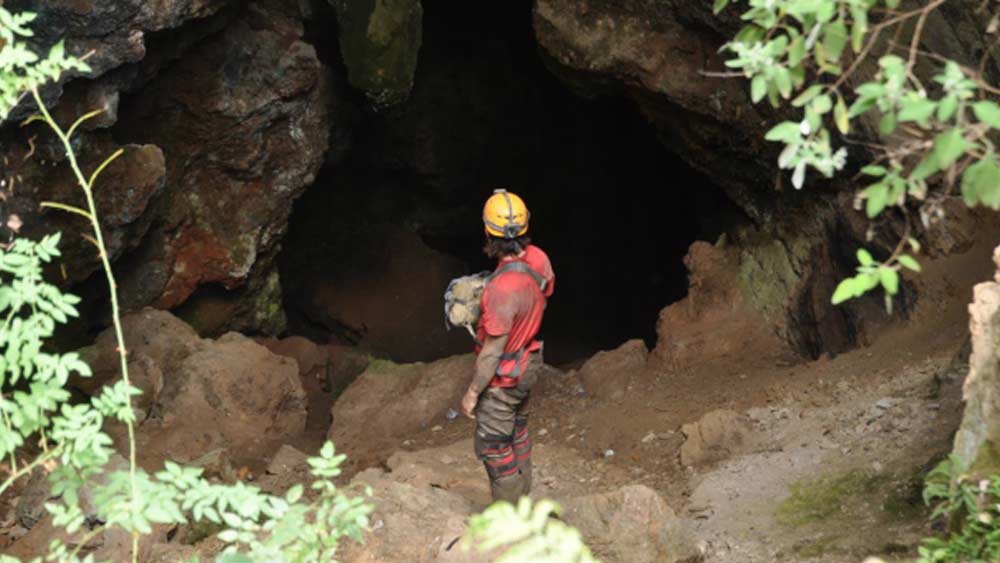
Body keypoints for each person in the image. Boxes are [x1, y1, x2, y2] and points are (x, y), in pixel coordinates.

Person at [460, 189, 554, 504]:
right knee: (517, 430)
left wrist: (472, 393)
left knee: (495, 446)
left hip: (505, 377)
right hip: (531, 361)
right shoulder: (539, 258)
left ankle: (510, 519)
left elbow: (491, 354)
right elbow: (543, 289)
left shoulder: (500, 291)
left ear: (489, 232)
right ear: (526, 227)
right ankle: (525, 499)